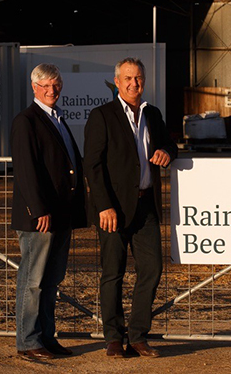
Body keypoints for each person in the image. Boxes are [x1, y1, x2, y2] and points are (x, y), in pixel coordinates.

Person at [83, 57, 178, 358]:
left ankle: (138, 336)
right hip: (113, 211)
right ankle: (113, 337)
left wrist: (166, 151)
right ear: (117, 82)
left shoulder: (153, 114)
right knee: (113, 273)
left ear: (144, 81)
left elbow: (170, 145)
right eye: (127, 78)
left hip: (146, 206)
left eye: (138, 78)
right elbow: (93, 165)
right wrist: (104, 207)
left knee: (152, 269)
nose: (134, 83)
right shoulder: (102, 115)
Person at [11, 64, 87, 360]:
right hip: (40, 218)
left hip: (61, 215)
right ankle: (28, 341)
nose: (52, 91)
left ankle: (46, 337)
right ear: (34, 87)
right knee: (32, 281)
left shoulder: (57, 119)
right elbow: (26, 170)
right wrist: (38, 209)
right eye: (45, 86)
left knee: (51, 280)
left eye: (56, 85)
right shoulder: (26, 121)